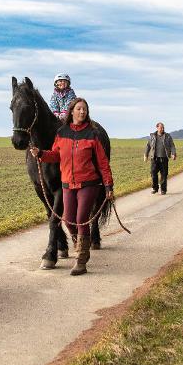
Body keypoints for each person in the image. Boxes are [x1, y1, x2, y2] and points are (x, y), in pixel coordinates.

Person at [28, 98, 113, 276]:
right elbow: (56, 155)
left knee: (81, 218)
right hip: (68, 183)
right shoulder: (62, 133)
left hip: (88, 183)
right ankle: (80, 245)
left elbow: (103, 162)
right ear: (72, 111)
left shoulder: (92, 134)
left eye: (85, 109)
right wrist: (41, 154)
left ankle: (81, 260)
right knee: (68, 220)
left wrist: (108, 185)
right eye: (79, 109)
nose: (82, 112)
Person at [144, 122, 177, 195]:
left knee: (164, 174)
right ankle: (155, 188)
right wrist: (145, 155)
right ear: (157, 128)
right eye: (161, 127)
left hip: (164, 158)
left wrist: (173, 153)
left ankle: (163, 190)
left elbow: (172, 145)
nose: (162, 129)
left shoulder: (167, 136)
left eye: (163, 127)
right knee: (153, 174)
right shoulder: (152, 136)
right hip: (154, 159)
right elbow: (148, 146)